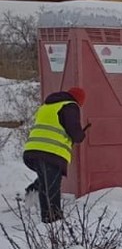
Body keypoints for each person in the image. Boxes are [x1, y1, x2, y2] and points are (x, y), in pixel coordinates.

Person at [23, 87, 88, 222]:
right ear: (79, 100)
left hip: (33, 150)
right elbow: (74, 132)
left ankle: (34, 191)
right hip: (50, 152)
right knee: (51, 186)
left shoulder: (47, 106)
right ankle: (52, 219)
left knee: (46, 183)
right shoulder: (70, 106)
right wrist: (81, 135)